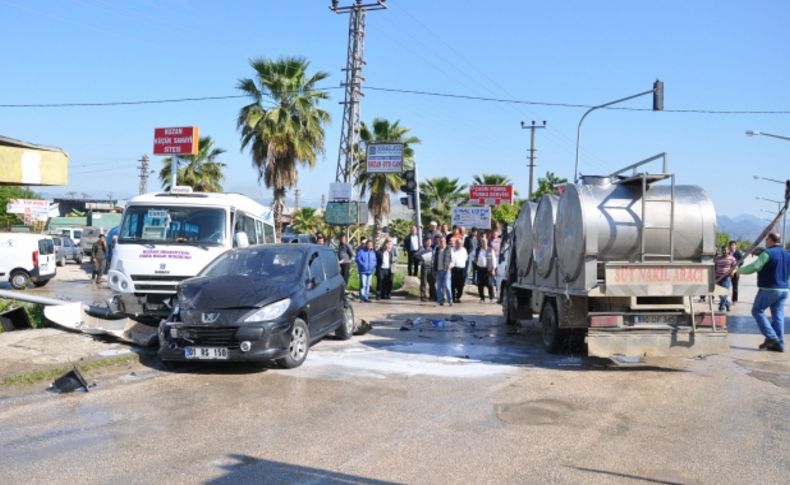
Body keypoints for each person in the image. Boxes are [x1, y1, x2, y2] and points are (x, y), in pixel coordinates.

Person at [738, 233, 790, 352]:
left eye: (767, 239)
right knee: (778, 316)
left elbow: (756, 266)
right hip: (783, 290)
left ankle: (771, 337)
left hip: (769, 289)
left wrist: (739, 271)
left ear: (771, 240)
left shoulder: (767, 253)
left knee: (757, 311)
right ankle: (779, 345)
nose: (765, 242)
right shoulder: (788, 254)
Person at [714, 244, 737, 312]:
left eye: (725, 250)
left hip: (726, 278)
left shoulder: (732, 258)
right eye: (722, 250)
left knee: (724, 293)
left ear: (728, 251)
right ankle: (727, 303)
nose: (723, 251)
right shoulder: (717, 258)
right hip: (718, 277)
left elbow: (736, 267)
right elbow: (714, 266)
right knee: (719, 293)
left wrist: (733, 272)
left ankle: (721, 308)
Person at [475, 237, 497, 302]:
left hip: (488, 269)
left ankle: (491, 298)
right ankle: (482, 298)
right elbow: (473, 256)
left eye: (484, 242)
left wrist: (493, 269)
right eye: (482, 242)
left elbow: (494, 260)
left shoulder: (490, 250)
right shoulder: (478, 250)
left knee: (490, 284)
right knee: (480, 284)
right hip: (480, 269)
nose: (483, 243)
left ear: (487, 242)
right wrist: (476, 262)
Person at [433, 236, 452, 306]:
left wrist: (450, 265)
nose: (442, 242)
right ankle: (440, 301)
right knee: (439, 287)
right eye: (440, 241)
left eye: (443, 241)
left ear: (445, 241)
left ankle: (450, 300)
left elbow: (453, 259)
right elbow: (434, 259)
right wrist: (434, 269)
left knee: (447, 286)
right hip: (438, 270)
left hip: (446, 270)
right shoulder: (437, 249)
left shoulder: (449, 248)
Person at [417, 237, 436, 302]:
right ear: (425, 242)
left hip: (431, 268)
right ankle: (423, 296)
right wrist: (421, 258)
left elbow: (434, 257)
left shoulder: (432, 249)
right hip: (424, 268)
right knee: (423, 283)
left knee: (432, 282)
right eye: (428, 242)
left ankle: (433, 295)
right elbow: (416, 256)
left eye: (430, 242)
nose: (429, 243)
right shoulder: (421, 249)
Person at [450, 237, 468, 303]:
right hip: (454, 269)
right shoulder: (452, 250)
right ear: (456, 243)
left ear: (462, 244)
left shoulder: (464, 250)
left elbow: (466, 259)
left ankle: (458, 297)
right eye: (457, 243)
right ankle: (453, 298)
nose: (459, 244)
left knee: (461, 285)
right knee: (453, 284)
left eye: (460, 243)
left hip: (462, 269)